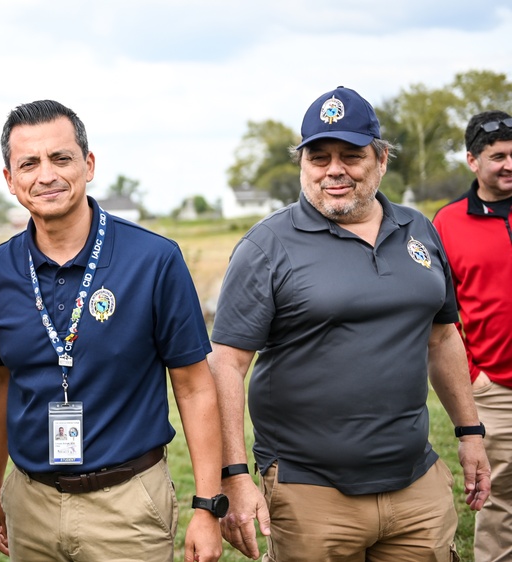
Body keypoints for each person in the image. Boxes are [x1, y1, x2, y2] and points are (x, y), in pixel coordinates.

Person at [208, 86, 491, 561]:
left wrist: (469, 434)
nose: (333, 169)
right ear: (303, 165)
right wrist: (235, 475)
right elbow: (227, 365)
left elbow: (442, 338)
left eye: (350, 155)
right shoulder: (266, 246)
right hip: (310, 491)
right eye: (318, 158)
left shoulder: (418, 230)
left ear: (381, 159)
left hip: (415, 484)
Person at [0, 100, 224, 562]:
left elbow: (194, 387)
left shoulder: (154, 260)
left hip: (127, 504)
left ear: (88, 165)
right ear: (10, 180)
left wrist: (207, 507)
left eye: (60, 158)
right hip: (31, 501)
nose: (46, 175)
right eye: (29, 163)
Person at [433, 110, 512, 562]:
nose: (508, 164)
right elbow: (441, 314)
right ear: (472, 160)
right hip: (495, 388)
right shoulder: (446, 224)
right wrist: (478, 374)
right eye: (497, 155)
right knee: (500, 500)